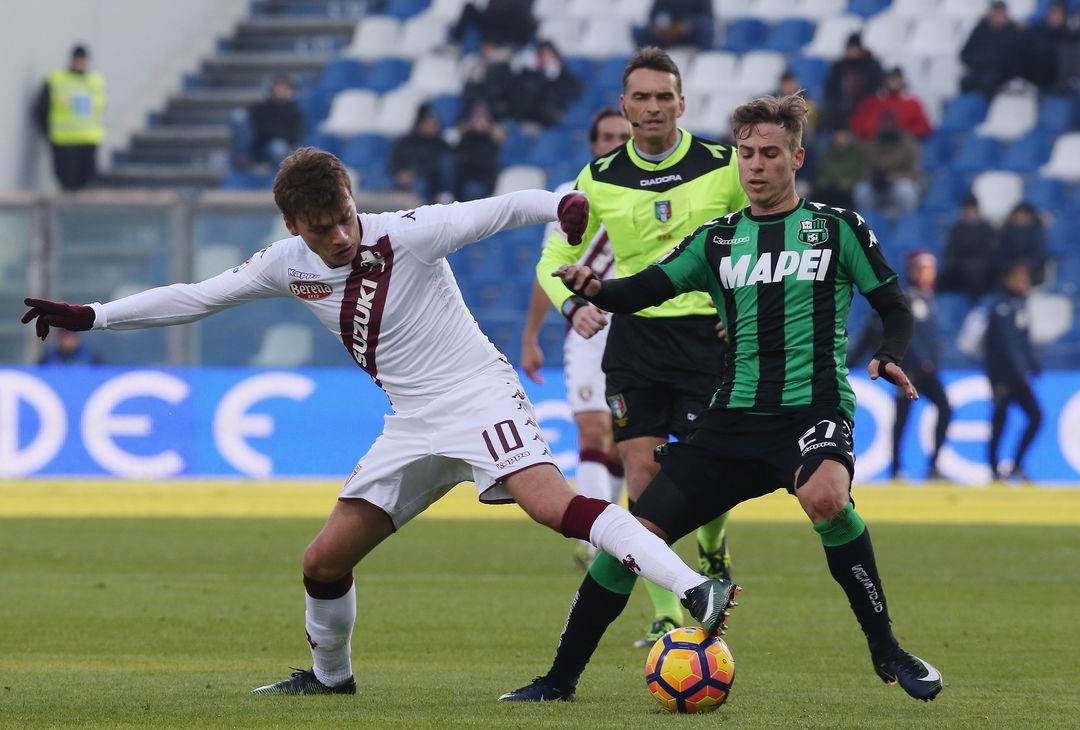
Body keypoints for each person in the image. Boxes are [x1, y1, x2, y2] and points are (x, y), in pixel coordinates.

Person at [20, 147, 731, 697]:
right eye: (320, 228)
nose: (337, 237)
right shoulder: (285, 264)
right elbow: (197, 297)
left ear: (353, 202)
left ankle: (695, 590)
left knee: (551, 506)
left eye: (343, 218)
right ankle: (331, 679)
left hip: (478, 396)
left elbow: (498, 208)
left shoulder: (409, 234)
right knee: (322, 563)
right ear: (295, 227)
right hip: (413, 423)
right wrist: (94, 314)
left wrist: (562, 203)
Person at [501, 92, 943, 704]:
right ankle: (559, 679)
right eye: (746, 154)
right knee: (634, 537)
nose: (755, 166)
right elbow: (646, 289)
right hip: (730, 423)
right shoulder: (717, 240)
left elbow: (892, 303)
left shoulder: (837, 229)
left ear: (796, 158)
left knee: (824, 497)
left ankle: (887, 652)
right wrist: (595, 287)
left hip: (811, 410)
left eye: (769, 154)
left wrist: (891, 352)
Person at [529, 46, 748, 652]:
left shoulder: (724, 165)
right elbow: (553, 259)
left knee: (706, 470)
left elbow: (759, 234)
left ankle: (711, 546)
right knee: (643, 478)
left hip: (709, 335)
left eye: (663, 97)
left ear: (682, 103)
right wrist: (574, 304)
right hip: (637, 339)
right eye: (641, 98)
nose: (652, 108)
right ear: (625, 107)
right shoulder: (596, 180)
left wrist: (743, 309)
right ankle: (665, 612)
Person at [520, 108, 632, 567]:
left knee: (626, 442)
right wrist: (530, 336)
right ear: (593, 144)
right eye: (606, 136)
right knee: (592, 428)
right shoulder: (572, 197)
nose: (614, 143)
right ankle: (597, 540)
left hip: (639, 326)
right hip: (585, 328)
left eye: (622, 136)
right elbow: (549, 267)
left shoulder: (652, 194)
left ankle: (620, 530)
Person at [850, 251, 951, 480]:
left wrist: (931, 360)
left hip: (927, 369)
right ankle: (897, 470)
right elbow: (896, 332)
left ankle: (932, 466)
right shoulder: (905, 297)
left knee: (942, 409)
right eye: (922, 269)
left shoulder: (926, 296)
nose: (927, 273)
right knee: (902, 420)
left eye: (930, 269)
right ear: (912, 270)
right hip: (908, 370)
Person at [985, 261, 1042, 482]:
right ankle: (993, 468)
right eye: (1019, 278)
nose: (1024, 283)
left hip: (1018, 376)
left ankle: (1016, 464)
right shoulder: (1002, 306)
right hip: (1003, 376)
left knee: (1035, 417)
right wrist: (1022, 372)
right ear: (1008, 280)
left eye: (1025, 279)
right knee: (1000, 421)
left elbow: (1023, 342)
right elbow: (1006, 344)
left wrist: (1033, 363)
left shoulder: (1020, 305)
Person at [32, 44, 105, 191]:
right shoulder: (56, 80)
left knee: (87, 184)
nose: (80, 63)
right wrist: (49, 133)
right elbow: (40, 111)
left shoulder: (96, 82)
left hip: (88, 141)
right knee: (67, 185)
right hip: (64, 143)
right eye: (77, 60)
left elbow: (100, 110)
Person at [852, 111, 923, 219]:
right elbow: (863, 169)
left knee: (905, 190)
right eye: (884, 123)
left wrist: (891, 178)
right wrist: (874, 178)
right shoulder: (872, 144)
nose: (887, 126)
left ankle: (905, 222)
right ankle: (867, 224)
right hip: (877, 187)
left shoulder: (908, 144)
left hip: (898, 184)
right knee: (861, 190)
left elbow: (914, 171)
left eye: (890, 123)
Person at [388, 103, 453, 204]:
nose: (433, 126)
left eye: (435, 123)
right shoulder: (405, 142)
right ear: (419, 123)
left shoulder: (441, 144)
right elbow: (394, 162)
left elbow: (438, 167)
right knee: (383, 181)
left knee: (420, 185)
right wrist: (399, 175)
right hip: (402, 177)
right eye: (429, 122)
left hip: (429, 182)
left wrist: (414, 173)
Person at [509, 40, 583, 127]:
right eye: (543, 54)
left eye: (549, 54)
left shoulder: (563, 75)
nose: (546, 57)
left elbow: (574, 90)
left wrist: (553, 78)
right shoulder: (527, 72)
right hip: (526, 113)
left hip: (548, 115)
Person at [938, 193, 997, 302]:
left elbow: (990, 251)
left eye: (972, 209)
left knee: (974, 271)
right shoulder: (957, 229)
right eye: (967, 209)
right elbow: (951, 251)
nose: (969, 212)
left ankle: (976, 304)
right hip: (960, 264)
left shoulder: (986, 228)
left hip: (981, 265)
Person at [822, 33, 884, 132]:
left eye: (856, 48)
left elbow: (876, 85)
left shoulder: (870, 66)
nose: (853, 51)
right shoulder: (839, 67)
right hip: (841, 110)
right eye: (851, 48)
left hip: (864, 108)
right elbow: (830, 90)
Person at [849, 68, 932, 142]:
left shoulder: (912, 104)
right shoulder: (872, 102)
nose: (893, 83)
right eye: (890, 80)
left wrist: (904, 134)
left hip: (901, 146)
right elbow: (857, 123)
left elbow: (925, 127)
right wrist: (872, 133)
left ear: (902, 82)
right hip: (874, 147)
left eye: (896, 80)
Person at [960, 0, 1022, 97]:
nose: (998, 15)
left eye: (1001, 12)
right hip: (978, 72)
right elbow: (964, 54)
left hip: (1001, 76)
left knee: (989, 83)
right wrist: (979, 62)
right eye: (996, 11)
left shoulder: (1013, 33)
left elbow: (1018, 59)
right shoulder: (979, 30)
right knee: (966, 83)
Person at [248, 75, 304, 168]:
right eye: (279, 88)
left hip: (288, 145)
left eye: (285, 88)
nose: (281, 91)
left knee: (286, 148)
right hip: (265, 145)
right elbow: (261, 128)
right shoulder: (262, 107)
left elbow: (295, 133)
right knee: (278, 146)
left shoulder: (295, 110)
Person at [453, 100, 503, 201]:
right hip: (465, 181)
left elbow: (489, 165)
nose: (480, 122)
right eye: (477, 119)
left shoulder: (492, 141)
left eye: (483, 119)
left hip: (484, 182)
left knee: (473, 189)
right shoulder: (466, 139)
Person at [812, 128, 866, 210]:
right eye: (838, 137)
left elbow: (858, 174)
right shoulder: (827, 153)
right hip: (829, 187)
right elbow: (823, 173)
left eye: (843, 137)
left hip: (849, 189)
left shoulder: (857, 154)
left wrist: (845, 182)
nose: (841, 141)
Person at [997, 202, 1048, 286]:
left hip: (1032, 270)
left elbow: (1040, 254)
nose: (1020, 217)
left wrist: (1026, 266)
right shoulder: (1006, 232)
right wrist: (1012, 266)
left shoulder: (1037, 232)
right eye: (1018, 214)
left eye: (1023, 214)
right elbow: (1001, 253)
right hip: (1010, 270)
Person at [632, 0, 715, 50]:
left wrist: (685, 26)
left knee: (706, 30)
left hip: (691, 33)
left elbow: (706, 17)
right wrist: (659, 27)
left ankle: (703, 59)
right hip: (667, 33)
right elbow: (654, 14)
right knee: (640, 32)